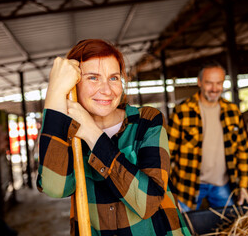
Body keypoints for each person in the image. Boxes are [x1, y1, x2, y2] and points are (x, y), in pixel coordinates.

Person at [36, 39, 191, 236]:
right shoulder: (68, 135)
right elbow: (54, 187)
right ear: (73, 84)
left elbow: (147, 203)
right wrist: (55, 91)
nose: (107, 90)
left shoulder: (146, 120)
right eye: (93, 78)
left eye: (114, 78)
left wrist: (92, 133)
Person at [167, 62, 248, 212]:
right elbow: (167, 154)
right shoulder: (182, 111)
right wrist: (169, 193)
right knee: (184, 229)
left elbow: (243, 150)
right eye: (209, 83)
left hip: (223, 185)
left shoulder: (232, 111)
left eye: (219, 83)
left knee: (229, 227)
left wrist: (244, 186)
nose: (215, 88)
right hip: (188, 186)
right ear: (199, 82)